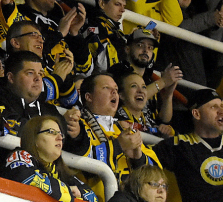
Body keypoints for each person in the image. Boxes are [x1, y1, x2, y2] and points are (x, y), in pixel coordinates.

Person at [64, 72, 160, 200]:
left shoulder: (127, 133)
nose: (114, 92)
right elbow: (80, 165)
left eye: (116, 89)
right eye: (106, 88)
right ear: (89, 97)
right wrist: (118, 146)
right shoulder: (77, 128)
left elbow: (157, 177)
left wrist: (139, 158)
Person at [2, 115, 96, 201]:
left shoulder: (58, 170)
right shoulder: (19, 156)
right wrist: (67, 191)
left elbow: (92, 196)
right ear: (34, 138)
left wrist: (78, 193)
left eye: (60, 134)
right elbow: (26, 177)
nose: (60, 138)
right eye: (51, 132)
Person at [82, 0, 130, 74]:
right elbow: (104, 66)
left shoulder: (114, 29)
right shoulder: (94, 26)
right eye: (117, 4)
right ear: (102, 4)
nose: (122, 10)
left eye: (124, 6)